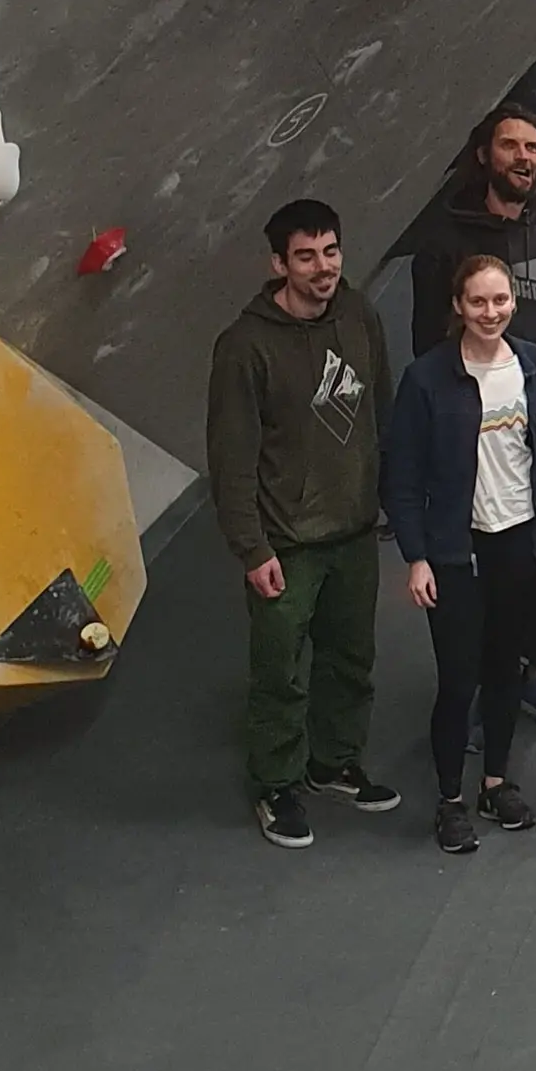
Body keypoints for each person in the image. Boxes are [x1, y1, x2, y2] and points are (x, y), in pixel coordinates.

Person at [206, 198, 398, 849]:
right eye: (307, 256)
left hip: (353, 533)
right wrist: (251, 547)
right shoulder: (244, 347)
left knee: (350, 658)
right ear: (279, 263)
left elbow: (383, 411)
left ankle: (333, 761)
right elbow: (230, 458)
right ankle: (276, 783)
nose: (323, 267)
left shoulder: (360, 315)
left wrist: (391, 497)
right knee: (280, 670)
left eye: (331, 251)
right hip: (286, 544)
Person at [406, 100, 536, 740]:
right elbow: (427, 342)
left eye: (532, 148)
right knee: (486, 556)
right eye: (509, 147)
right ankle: (489, 679)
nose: (522, 159)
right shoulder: (442, 244)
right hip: (477, 431)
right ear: (485, 154)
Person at [381, 251, 536, 857]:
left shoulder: (535, 366)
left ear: (514, 301)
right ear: (458, 306)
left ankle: (496, 783)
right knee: (459, 680)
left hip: (519, 543)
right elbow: (401, 476)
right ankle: (451, 799)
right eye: (477, 301)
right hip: (455, 553)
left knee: (506, 671)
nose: (491, 312)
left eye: (500, 300)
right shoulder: (427, 379)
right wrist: (417, 556)